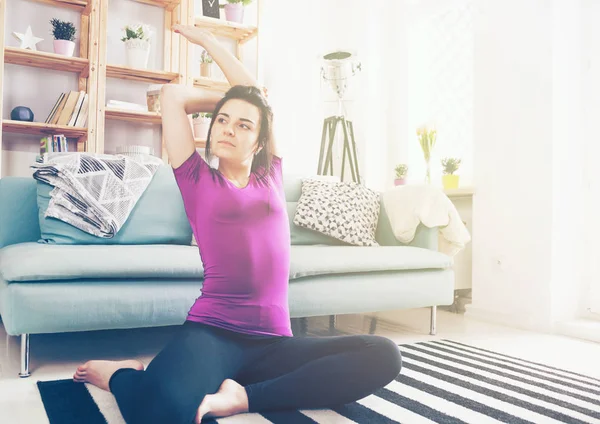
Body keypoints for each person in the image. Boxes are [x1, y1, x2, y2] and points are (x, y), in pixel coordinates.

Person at [73, 25, 402, 424]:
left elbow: (261, 103)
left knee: (383, 355)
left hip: (275, 343)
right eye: (222, 120)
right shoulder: (196, 178)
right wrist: (237, 98)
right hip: (214, 334)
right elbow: (174, 97)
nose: (228, 128)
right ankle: (121, 374)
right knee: (161, 412)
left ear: (260, 141)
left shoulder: (271, 174)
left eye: (244, 125)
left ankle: (242, 397)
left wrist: (231, 71)